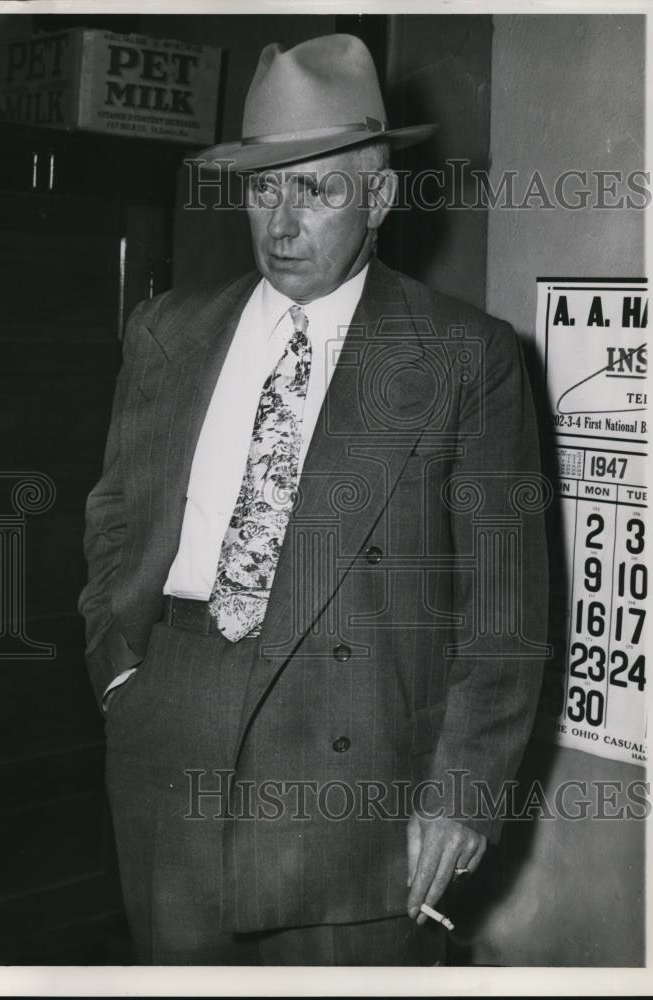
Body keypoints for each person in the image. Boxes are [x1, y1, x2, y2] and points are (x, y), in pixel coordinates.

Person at [79, 33, 548, 966]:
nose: (281, 225)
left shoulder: (466, 356)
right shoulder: (166, 330)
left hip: (361, 763)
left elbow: (504, 609)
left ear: (377, 197)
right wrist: (121, 671)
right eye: (263, 188)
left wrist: (463, 793)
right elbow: (116, 518)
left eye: (317, 190)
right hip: (172, 746)